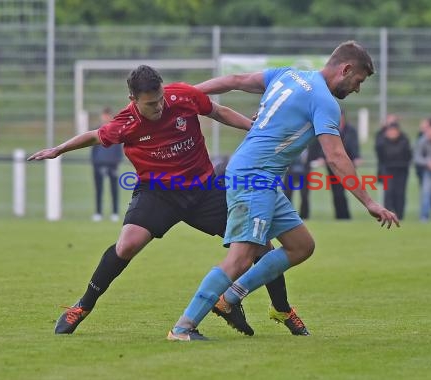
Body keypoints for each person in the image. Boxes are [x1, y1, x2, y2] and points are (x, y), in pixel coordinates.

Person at [27, 65, 308, 336]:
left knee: (259, 243)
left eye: (160, 99)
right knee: (127, 245)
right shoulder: (126, 123)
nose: (159, 107)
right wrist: (59, 149)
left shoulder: (183, 96)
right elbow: (93, 137)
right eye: (151, 104)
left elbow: (219, 112)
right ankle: (83, 305)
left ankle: (281, 309)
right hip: (158, 192)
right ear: (133, 100)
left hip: (204, 189)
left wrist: (253, 128)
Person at [168, 40, 399, 341]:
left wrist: (189, 93)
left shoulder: (289, 75)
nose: (357, 89)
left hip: (260, 177)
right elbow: (336, 156)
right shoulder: (324, 101)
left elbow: (235, 81)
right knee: (240, 258)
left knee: (301, 245)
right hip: (255, 178)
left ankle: (231, 297)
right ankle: (183, 328)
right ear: (346, 69)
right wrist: (368, 201)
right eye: (359, 81)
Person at [90, 107, 123, 222]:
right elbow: (93, 150)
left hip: (112, 164)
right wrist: (94, 163)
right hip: (98, 165)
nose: (105, 117)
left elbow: (119, 148)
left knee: (114, 190)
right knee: (99, 190)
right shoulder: (95, 130)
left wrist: (117, 161)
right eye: (104, 115)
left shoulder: (116, 130)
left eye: (107, 115)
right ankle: (98, 213)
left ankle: (114, 213)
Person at [375, 122, 412, 220]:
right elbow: (379, 152)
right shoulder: (382, 141)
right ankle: (387, 215)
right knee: (388, 193)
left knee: (400, 194)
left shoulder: (404, 141)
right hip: (387, 171)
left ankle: (399, 216)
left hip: (401, 171)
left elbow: (407, 155)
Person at [415, 117, 431, 220]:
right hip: (423, 169)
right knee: (426, 193)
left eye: (424, 125)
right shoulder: (420, 138)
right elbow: (417, 155)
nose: (422, 126)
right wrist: (427, 163)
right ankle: (426, 215)